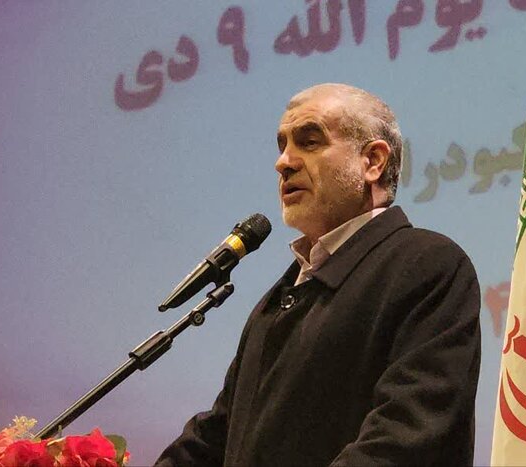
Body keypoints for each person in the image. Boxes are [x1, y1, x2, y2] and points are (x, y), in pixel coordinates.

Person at [156, 83, 481, 466]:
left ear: (373, 161)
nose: (283, 163)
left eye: (309, 142)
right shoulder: (278, 301)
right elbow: (217, 439)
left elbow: (405, 439)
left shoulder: (428, 265)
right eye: (282, 146)